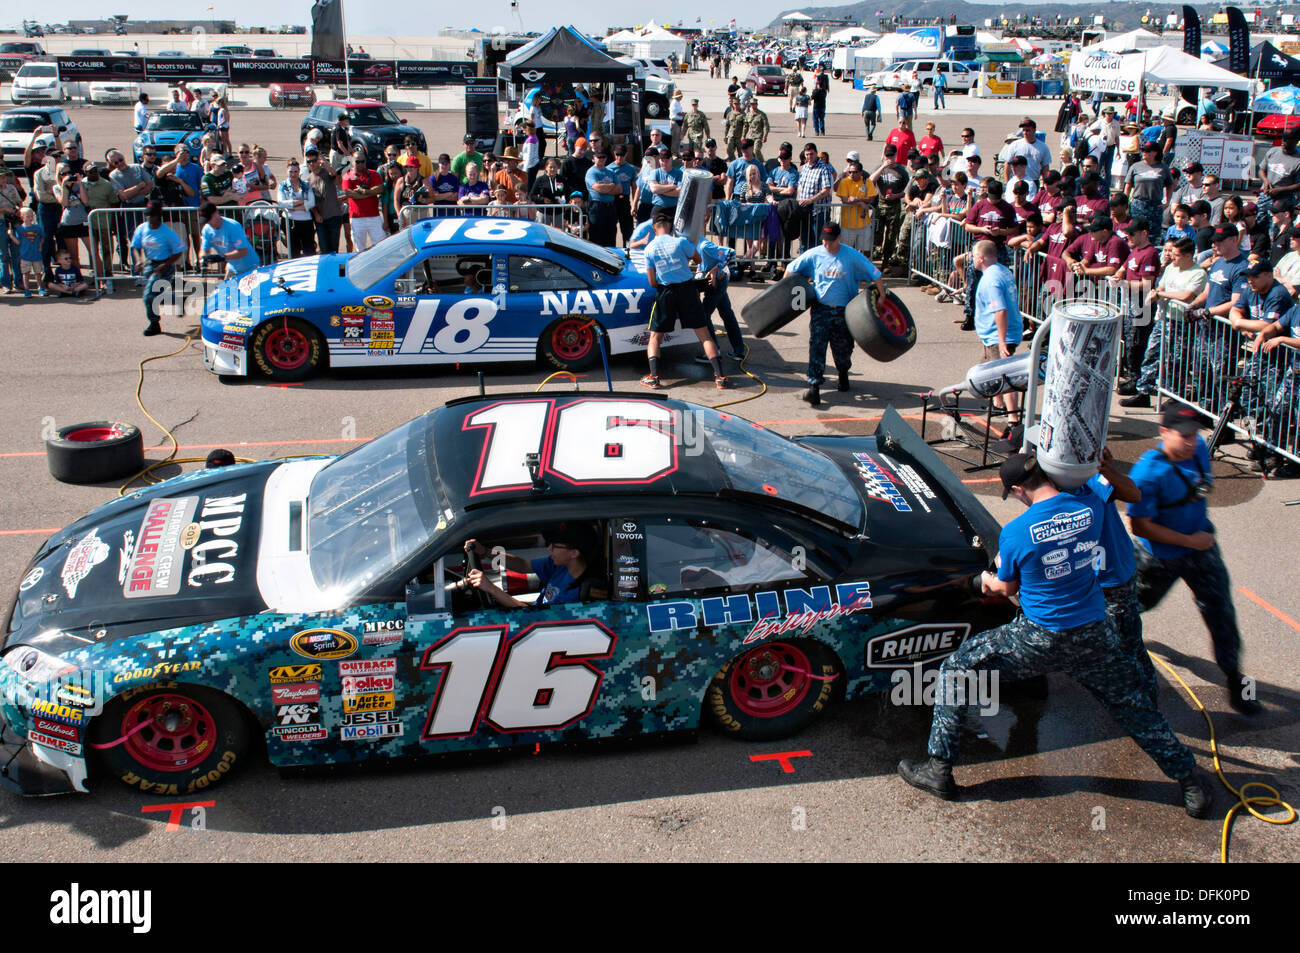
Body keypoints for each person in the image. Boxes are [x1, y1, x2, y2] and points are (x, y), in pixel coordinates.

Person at [897, 451, 1212, 818]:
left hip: (1039, 638)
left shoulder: (1017, 532)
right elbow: (1129, 495)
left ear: (1018, 489)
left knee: (956, 669)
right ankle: (1190, 781)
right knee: (1134, 708)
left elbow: (1005, 587)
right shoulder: (1090, 506)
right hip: (1094, 634)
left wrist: (981, 581)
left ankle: (939, 770)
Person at [1128, 404, 1264, 716]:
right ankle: (1114, 668)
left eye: (1194, 435)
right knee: (1131, 607)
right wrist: (1190, 540)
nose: (1191, 442)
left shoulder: (1200, 448)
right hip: (1158, 557)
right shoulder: (1148, 473)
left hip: (1202, 548)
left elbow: (1201, 488)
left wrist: (1197, 539)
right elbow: (1140, 526)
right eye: (1184, 436)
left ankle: (1236, 681)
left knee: (1221, 611)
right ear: (1164, 432)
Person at [784, 222, 885, 407]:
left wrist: (882, 296)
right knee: (817, 346)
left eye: (830, 241)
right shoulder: (814, 254)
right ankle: (814, 386)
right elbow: (791, 269)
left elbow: (875, 273)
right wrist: (782, 292)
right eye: (824, 240)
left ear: (839, 238)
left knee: (843, 349)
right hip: (821, 309)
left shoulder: (852, 257)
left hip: (845, 311)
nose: (826, 244)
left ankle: (843, 372)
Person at [640, 212, 729, 391]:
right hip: (688, 289)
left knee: (656, 337)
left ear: (654, 228)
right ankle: (720, 378)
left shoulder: (649, 248)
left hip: (666, 292)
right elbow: (698, 260)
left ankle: (654, 378)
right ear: (671, 227)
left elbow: (652, 282)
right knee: (704, 335)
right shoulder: (680, 242)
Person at [463, 523, 601, 609]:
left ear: (574, 553)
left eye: (555, 546)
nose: (549, 548)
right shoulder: (559, 565)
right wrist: (486, 552)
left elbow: (531, 615)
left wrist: (491, 588)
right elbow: (523, 565)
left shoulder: (573, 595)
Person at [130, 201, 185, 336]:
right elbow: (135, 246)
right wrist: (138, 260)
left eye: (152, 216)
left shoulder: (167, 233)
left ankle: (154, 324)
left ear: (159, 216)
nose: (149, 218)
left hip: (164, 265)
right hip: (149, 264)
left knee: (148, 297)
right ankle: (178, 300)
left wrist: (166, 265)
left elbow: (179, 250)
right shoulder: (142, 228)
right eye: (147, 215)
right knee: (155, 295)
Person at [695, 234, 746, 362]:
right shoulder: (694, 244)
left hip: (718, 282)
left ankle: (713, 351)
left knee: (704, 315)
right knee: (727, 314)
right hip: (716, 282)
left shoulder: (704, 245)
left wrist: (715, 269)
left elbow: (730, 253)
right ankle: (739, 350)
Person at [199, 201, 259, 278]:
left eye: (210, 219)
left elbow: (243, 251)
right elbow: (204, 250)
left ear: (216, 213)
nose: (209, 223)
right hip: (232, 267)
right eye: (206, 221)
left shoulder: (233, 226)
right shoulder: (207, 229)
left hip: (249, 267)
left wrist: (222, 257)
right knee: (226, 289)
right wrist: (203, 259)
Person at [342, 146, 385, 250]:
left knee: (380, 245)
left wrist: (365, 191)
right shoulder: (348, 176)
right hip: (357, 218)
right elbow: (350, 194)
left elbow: (380, 188)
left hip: (374, 216)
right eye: (357, 162)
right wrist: (370, 192)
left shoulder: (374, 174)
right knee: (360, 248)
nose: (360, 164)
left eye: (362, 161)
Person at [834, 152, 876, 255]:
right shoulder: (844, 182)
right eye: (850, 172)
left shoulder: (867, 181)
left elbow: (871, 198)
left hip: (863, 223)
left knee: (865, 250)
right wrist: (861, 202)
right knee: (846, 250)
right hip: (847, 224)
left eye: (855, 172)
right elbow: (845, 199)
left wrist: (857, 200)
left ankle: (861, 269)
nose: (852, 174)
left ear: (861, 172)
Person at [277, 159, 316, 258]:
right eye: (291, 171)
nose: (293, 174)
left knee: (309, 250)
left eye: (295, 171)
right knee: (294, 251)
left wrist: (293, 206)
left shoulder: (306, 185)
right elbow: (281, 203)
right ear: (287, 171)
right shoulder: (283, 185)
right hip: (290, 221)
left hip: (306, 221)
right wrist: (302, 201)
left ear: (299, 171)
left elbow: (312, 202)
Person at [584, 150, 619, 247]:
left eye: (603, 157)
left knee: (611, 236)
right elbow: (597, 188)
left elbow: (619, 189)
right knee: (596, 237)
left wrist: (605, 187)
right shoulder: (591, 172)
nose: (601, 159)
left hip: (610, 208)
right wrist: (611, 185)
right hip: (597, 207)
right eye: (599, 157)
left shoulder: (611, 172)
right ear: (594, 157)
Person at [14, 207, 43, 296]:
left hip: (36, 254)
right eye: (28, 216)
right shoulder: (20, 229)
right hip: (25, 255)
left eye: (31, 216)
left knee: (38, 273)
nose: (30, 218)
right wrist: (11, 236)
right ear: (22, 217)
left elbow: (42, 237)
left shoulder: (37, 228)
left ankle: (40, 288)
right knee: (26, 273)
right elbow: (18, 242)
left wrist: (40, 246)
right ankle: (27, 290)